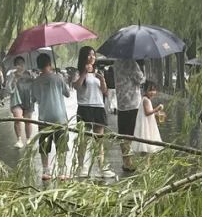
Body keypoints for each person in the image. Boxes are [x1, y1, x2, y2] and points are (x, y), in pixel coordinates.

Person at [72, 46, 114, 179]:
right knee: (84, 140)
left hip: (98, 107)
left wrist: (102, 80)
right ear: (83, 57)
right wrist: (84, 73)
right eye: (89, 55)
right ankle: (81, 167)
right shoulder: (78, 72)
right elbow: (76, 86)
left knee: (99, 140)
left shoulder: (98, 72)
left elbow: (105, 92)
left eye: (93, 55)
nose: (92, 57)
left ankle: (102, 168)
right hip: (85, 107)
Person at [29, 53, 72, 181]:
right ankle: (61, 171)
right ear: (50, 63)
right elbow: (67, 94)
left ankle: (46, 171)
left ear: (38, 65)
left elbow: (33, 99)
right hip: (60, 117)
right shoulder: (58, 78)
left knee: (44, 146)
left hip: (44, 118)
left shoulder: (35, 81)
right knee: (61, 145)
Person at [113, 58, 145, 172]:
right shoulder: (132, 63)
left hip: (121, 103)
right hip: (133, 103)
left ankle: (126, 162)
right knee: (133, 134)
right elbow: (140, 80)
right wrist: (142, 70)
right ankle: (133, 162)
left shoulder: (116, 63)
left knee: (123, 134)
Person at [6, 56, 34, 148]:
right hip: (16, 99)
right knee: (17, 118)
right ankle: (19, 139)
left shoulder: (29, 74)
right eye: (18, 64)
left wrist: (33, 78)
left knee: (28, 120)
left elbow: (35, 85)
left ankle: (29, 138)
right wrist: (14, 80)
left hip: (28, 99)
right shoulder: (12, 75)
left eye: (22, 63)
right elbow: (8, 89)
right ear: (15, 65)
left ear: (24, 64)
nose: (20, 65)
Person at [131, 81, 164, 156]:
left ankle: (146, 161)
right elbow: (147, 113)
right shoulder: (146, 100)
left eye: (154, 90)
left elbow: (147, 113)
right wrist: (157, 109)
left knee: (146, 147)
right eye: (150, 90)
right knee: (146, 144)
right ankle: (146, 161)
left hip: (147, 123)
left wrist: (155, 114)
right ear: (145, 91)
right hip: (146, 125)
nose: (152, 92)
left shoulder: (146, 99)